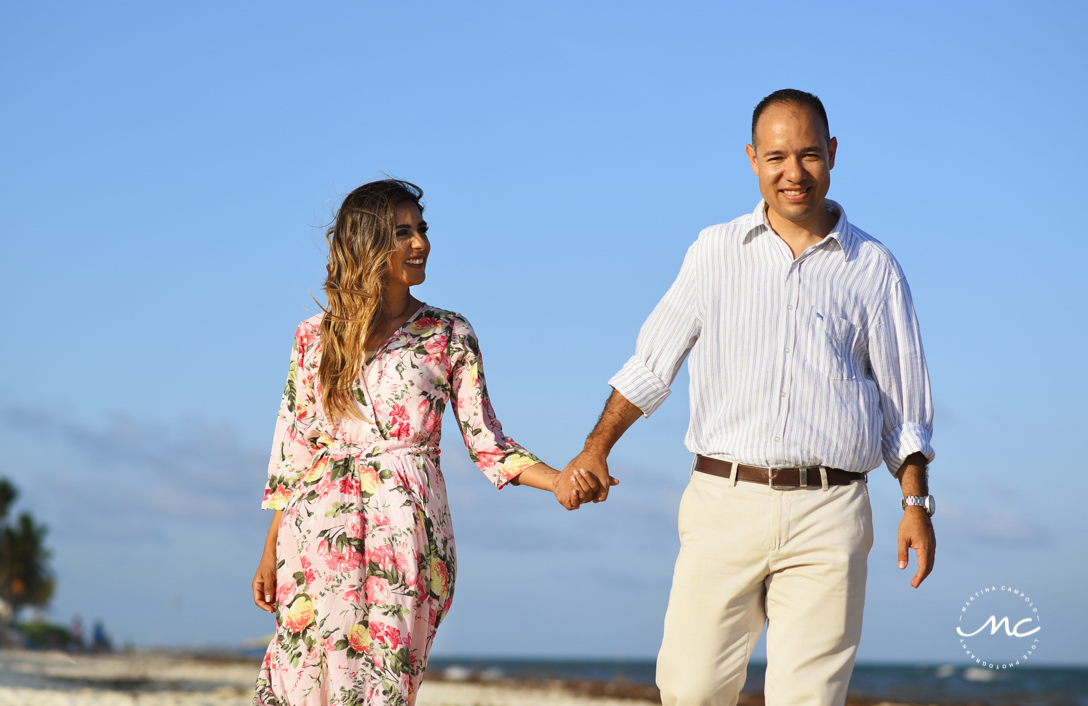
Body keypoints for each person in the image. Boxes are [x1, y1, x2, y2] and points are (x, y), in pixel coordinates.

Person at [555, 90, 936, 706]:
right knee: (690, 688)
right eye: (778, 156)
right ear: (753, 159)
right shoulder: (713, 251)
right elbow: (652, 361)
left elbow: (905, 406)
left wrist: (916, 503)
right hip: (722, 502)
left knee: (808, 698)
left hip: (830, 511)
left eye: (809, 154)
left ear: (832, 155)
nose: (794, 172)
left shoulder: (875, 267)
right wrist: (596, 448)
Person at [251, 180, 589, 706]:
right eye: (402, 232)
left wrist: (559, 480)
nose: (420, 243)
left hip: (405, 530)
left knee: (387, 683)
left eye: (422, 230)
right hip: (316, 532)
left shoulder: (447, 333)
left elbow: (488, 442)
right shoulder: (313, 336)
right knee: (306, 679)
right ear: (365, 245)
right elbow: (295, 449)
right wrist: (270, 551)